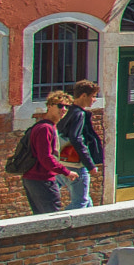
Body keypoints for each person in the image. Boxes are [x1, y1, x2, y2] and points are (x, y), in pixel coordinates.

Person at [21, 93, 77, 215]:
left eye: (67, 107)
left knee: (41, 219)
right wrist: (66, 172)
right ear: (50, 106)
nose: (63, 110)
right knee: (53, 218)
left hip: (34, 179)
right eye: (60, 106)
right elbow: (45, 157)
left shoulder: (48, 126)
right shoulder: (45, 128)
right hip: (41, 179)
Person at [57, 80, 104, 209]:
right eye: (93, 96)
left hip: (63, 162)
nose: (94, 100)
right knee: (80, 203)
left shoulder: (67, 111)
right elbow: (76, 139)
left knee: (87, 201)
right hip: (76, 164)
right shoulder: (79, 114)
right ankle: (60, 226)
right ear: (83, 96)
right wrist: (90, 165)